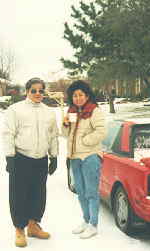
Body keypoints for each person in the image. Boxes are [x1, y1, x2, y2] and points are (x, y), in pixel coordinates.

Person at [2, 77, 59, 247]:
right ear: (27, 91)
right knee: (19, 195)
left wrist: (54, 156)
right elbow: (8, 134)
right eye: (33, 90)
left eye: (41, 90)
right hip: (21, 159)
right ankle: (19, 229)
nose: (37, 93)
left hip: (40, 159)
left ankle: (33, 225)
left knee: (38, 194)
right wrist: (9, 157)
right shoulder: (15, 110)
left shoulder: (49, 112)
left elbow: (53, 136)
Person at [62, 80, 106, 239]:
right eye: (75, 95)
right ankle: (86, 220)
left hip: (90, 156)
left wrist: (84, 141)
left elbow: (101, 132)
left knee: (91, 192)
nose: (78, 98)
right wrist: (65, 125)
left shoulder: (94, 111)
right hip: (75, 157)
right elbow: (67, 135)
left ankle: (93, 224)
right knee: (80, 192)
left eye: (81, 95)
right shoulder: (72, 111)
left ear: (87, 95)